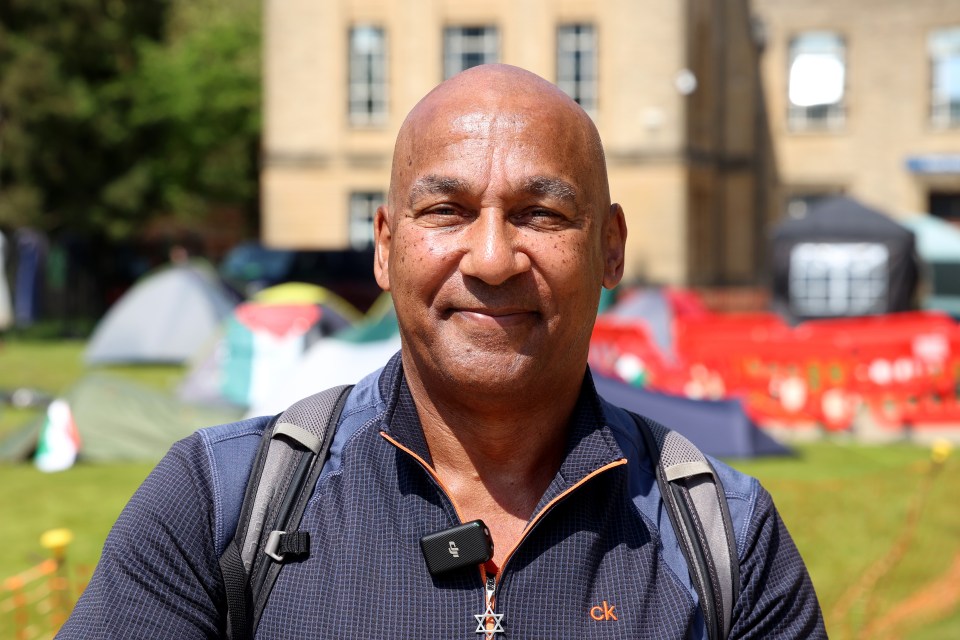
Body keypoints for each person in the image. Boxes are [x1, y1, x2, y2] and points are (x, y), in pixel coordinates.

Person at [59, 64, 825, 638]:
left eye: (540, 213)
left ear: (610, 250)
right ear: (387, 248)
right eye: (447, 210)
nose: (493, 258)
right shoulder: (219, 506)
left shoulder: (726, 537)